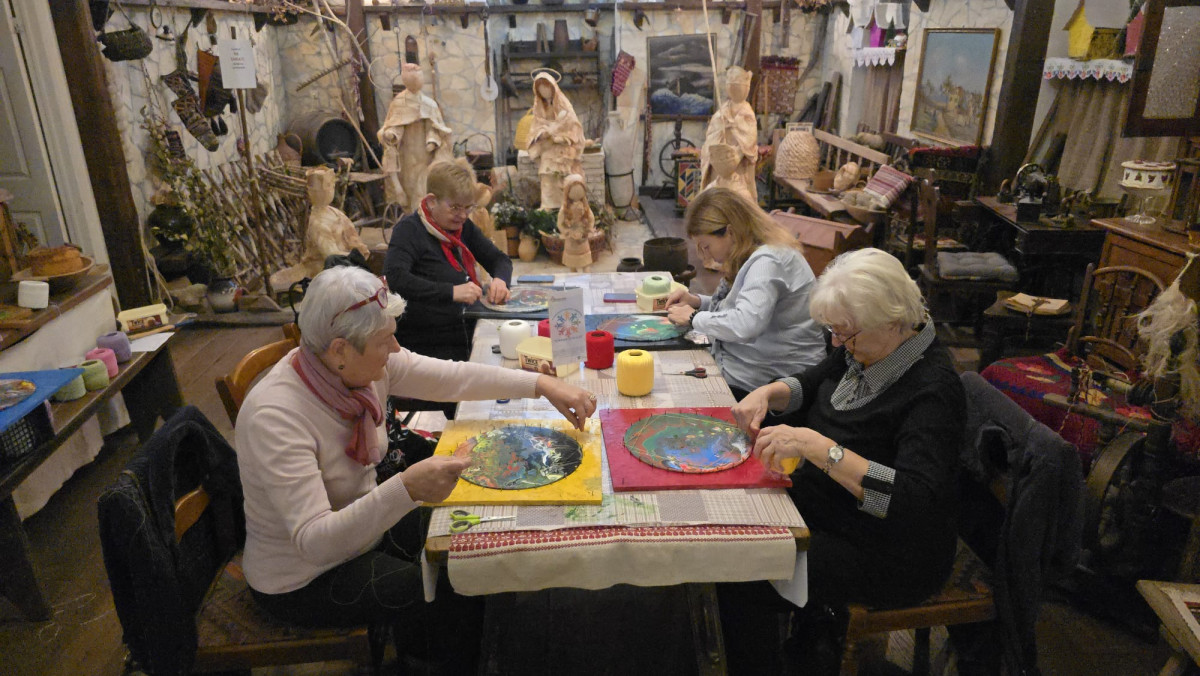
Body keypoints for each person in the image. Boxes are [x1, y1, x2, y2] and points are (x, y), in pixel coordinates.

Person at [235, 265, 596, 671]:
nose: (395, 348)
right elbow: (315, 542)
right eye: (384, 340)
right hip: (303, 577)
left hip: (359, 530)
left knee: (472, 545)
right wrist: (406, 488)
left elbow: (453, 378)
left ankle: (476, 650)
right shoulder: (276, 417)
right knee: (446, 588)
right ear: (339, 351)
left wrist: (540, 385)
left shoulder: (358, 370)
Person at [718, 248, 966, 674]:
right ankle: (791, 643)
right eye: (833, 331)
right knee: (733, 518)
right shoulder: (868, 346)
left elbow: (913, 502)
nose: (837, 344)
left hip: (888, 551)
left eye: (846, 334)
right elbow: (816, 381)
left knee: (743, 568)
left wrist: (818, 448)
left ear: (893, 321)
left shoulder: (934, 391)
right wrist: (768, 393)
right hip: (833, 510)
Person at [664, 188, 826, 400]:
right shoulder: (755, 255)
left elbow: (747, 323)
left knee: (673, 391)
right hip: (754, 371)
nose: (705, 256)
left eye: (706, 246)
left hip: (770, 385)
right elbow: (740, 308)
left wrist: (694, 317)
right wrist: (697, 302)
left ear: (730, 232)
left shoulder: (768, 261)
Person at [385, 159, 512, 377]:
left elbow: (499, 260)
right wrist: (451, 292)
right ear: (431, 201)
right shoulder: (409, 231)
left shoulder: (462, 227)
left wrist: (500, 280)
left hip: (463, 330)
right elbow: (396, 278)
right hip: (426, 344)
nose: (462, 215)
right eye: (454, 207)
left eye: (468, 207)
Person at [378, 63, 453, 213]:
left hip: (425, 157)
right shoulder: (399, 103)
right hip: (406, 157)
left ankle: (425, 218)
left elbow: (435, 128)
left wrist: (432, 140)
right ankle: (411, 217)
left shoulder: (429, 104)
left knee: (424, 191)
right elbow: (394, 125)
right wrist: (391, 135)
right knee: (408, 191)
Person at [527, 71, 585, 210]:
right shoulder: (539, 109)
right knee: (547, 176)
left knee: (564, 177)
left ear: (553, 88)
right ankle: (548, 206)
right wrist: (542, 133)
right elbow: (535, 127)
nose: (544, 92)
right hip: (548, 147)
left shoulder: (564, 106)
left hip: (563, 146)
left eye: (546, 88)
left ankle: (566, 206)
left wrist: (559, 135)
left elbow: (573, 125)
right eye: (541, 89)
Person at [700, 66, 758, 202]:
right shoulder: (722, 110)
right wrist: (722, 126)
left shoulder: (747, 112)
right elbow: (712, 135)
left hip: (738, 167)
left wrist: (737, 152)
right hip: (719, 163)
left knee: (738, 198)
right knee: (717, 197)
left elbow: (749, 138)